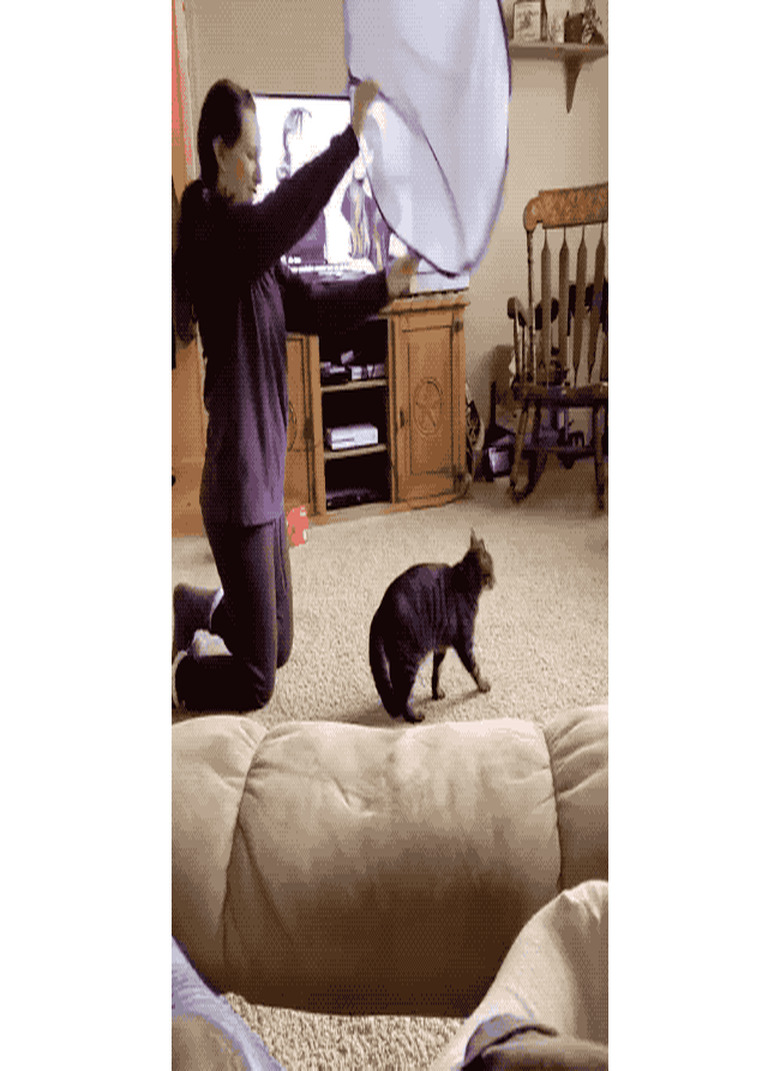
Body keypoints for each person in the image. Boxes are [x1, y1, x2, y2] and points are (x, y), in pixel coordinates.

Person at [172, 77, 417, 712]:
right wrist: (350, 141)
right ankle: (176, 679)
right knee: (258, 682)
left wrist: (386, 285)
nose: (258, 172)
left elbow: (315, 306)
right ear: (221, 151)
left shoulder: (253, 254)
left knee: (276, 645)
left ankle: (193, 604)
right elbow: (278, 219)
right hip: (235, 492)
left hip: (266, 483)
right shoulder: (211, 233)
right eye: (251, 155)